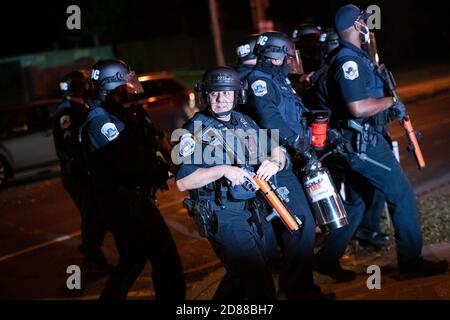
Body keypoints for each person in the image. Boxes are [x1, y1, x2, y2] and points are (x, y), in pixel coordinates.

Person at [319, 4, 448, 281]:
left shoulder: (356, 58)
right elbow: (357, 107)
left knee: (357, 203)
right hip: (365, 146)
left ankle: (327, 258)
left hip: (357, 143)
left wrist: (389, 109)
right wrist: (392, 101)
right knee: (402, 195)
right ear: (355, 26)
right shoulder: (348, 61)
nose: (367, 25)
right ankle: (411, 264)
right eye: (363, 21)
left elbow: (368, 104)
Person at [175, 66, 286, 299]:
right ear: (205, 96)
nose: (221, 99)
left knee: (244, 274)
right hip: (221, 212)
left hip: (250, 207)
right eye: (214, 93)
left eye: (227, 93)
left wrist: (274, 161)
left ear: (237, 95)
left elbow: (276, 149)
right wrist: (222, 170)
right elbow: (183, 182)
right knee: (260, 282)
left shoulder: (244, 121)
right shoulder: (194, 131)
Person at [80, 59, 186, 299]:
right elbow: (128, 163)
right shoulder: (101, 120)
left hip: (128, 200)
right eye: (125, 83)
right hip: (126, 203)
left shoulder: (115, 112)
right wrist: (159, 169)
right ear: (112, 86)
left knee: (133, 260)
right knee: (165, 258)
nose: (130, 87)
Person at [246, 31, 333, 299]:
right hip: (275, 164)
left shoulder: (278, 81)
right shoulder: (260, 81)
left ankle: (303, 289)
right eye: (286, 55)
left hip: (291, 159)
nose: (290, 61)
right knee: (300, 225)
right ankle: (294, 292)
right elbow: (270, 120)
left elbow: (292, 114)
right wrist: (299, 141)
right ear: (276, 56)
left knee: (305, 225)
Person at [52, 70, 109, 271]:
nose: (89, 87)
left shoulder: (80, 107)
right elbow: (71, 147)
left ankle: (92, 253)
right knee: (92, 213)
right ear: (79, 87)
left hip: (84, 171)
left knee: (97, 213)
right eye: (85, 84)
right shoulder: (67, 112)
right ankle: (92, 256)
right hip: (77, 173)